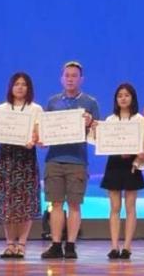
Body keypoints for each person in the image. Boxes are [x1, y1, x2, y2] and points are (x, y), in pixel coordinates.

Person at [39, 60, 99, 260]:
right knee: (55, 203)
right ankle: (56, 244)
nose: (70, 79)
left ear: (81, 79)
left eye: (74, 76)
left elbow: (97, 135)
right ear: (61, 79)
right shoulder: (53, 102)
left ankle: (71, 245)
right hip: (54, 159)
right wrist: (42, 139)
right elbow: (46, 131)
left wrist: (91, 123)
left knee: (74, 204)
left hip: (77, 160)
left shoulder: (90, 103)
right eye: (67, 75)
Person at [0, 71, 43, 260]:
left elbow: (39, 134)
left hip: (26, 159)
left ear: (29, 88)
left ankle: (22, 244)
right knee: (8, 202)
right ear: (11, 87)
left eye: (24, 84)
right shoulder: (0, 109)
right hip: (7, 158)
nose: (20, 87)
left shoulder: (36, 109)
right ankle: (10, 243)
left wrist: (34, 139)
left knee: (26, 202)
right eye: (16, 84)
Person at [98, 82, 144, 260]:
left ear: (132, 98)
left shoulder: (139, 120)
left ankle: (127, 246)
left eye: (126, 95)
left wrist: (138, 157)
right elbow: (104, 143)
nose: (123, 98)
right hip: (114, 164)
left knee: (130, 207)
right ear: (116, 100)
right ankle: (114, 246)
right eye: (120, 96)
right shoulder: (110, 120)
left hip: (132, 166)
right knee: (115, 207)